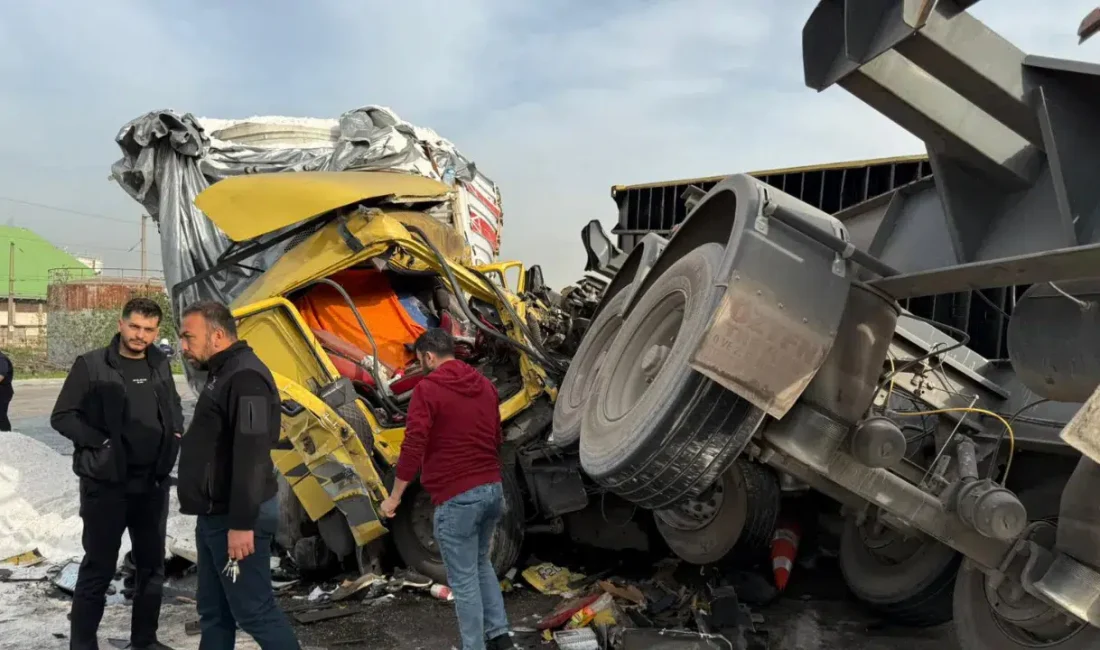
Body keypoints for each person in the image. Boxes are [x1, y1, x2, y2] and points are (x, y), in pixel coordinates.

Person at [51, 297, 184, 650]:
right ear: (121, 324)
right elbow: (62, 415)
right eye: (135, 326)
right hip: (106, 486)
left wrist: (175, 434)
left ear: (158, 331)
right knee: (98, 567)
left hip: (152, 484)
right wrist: (101, 443)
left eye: (149, 329)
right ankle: (82, 645)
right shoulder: (92, 365)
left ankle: (144, 641)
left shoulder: (159, 363)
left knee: (151, 569)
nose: (141, 335)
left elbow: (172, 406)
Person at [381, 328, 516, 650]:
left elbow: (413, 445)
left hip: (457, 498)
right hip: (492, 490)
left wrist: (395, 496)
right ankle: (500, 638)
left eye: (420, 360)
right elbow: (496, 438)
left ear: (429, 356)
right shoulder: (484, 385)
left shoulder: (428, 390)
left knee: (464, 581)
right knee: (481, 566)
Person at [175, 300, 300, 650]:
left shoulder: (246, 378)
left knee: (254, 611)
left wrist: (242, 523)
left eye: (189, 337)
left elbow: (253, 454)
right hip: (215, 514)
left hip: (238, 514)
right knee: (214, 611)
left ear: (216, 335)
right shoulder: (223, 371)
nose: (183, 346)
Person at [0, 347, 13, 431]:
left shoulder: (1, 359)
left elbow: (1, 376)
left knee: (1, 416)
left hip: (3, 393)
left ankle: (7, 435)